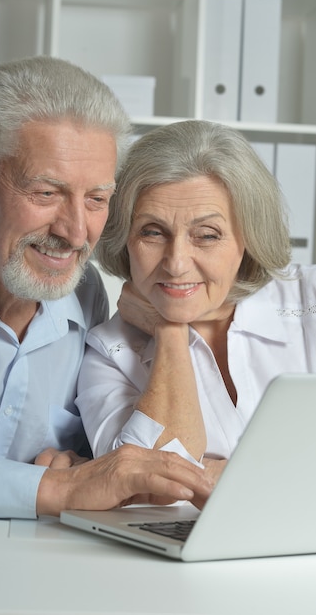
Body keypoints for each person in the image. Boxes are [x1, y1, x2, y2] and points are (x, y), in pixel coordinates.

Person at [0, 57, 211, 519]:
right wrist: (52, 487)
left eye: (96, 200)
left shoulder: (83, 291)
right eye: (46, 194)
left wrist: (79, 465)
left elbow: (95, 465)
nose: (76, 232)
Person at [76, 119, 316, 486]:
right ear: (125, 237)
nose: (176, 264)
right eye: (153, 232)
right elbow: (144, 488)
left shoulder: (308, 300)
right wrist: (169, 332)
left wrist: (231, 477)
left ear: (247, 239)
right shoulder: (109, 352)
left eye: (206, 235)